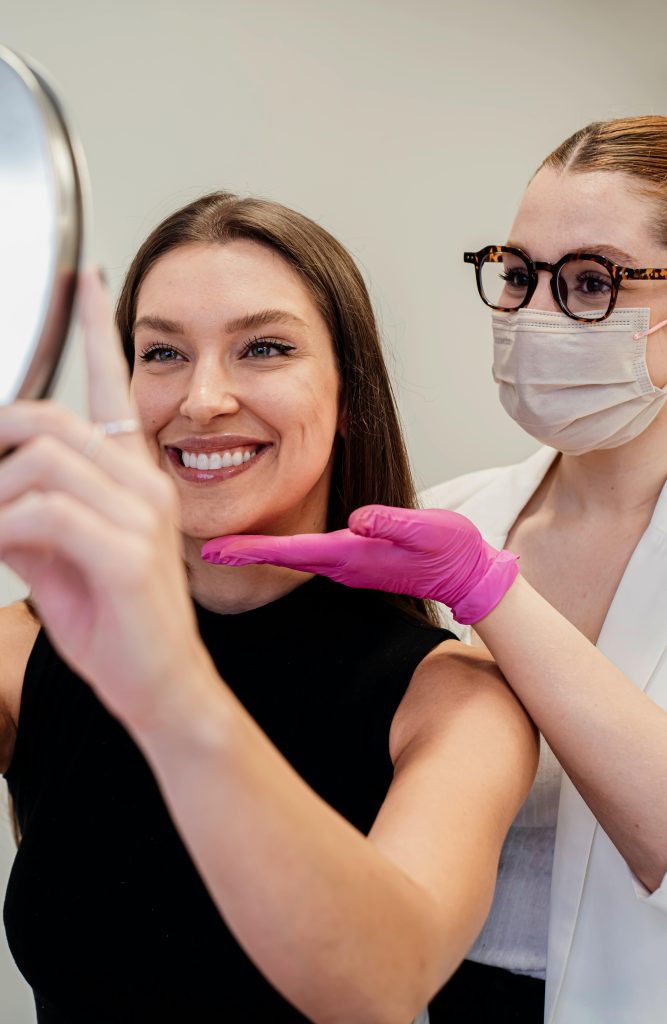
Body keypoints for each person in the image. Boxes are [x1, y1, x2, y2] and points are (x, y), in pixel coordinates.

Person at [0, 193, 538, 1023]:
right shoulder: (25, 649)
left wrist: (171, 691)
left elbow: (382, 986)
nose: (203, 398)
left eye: (263, 348)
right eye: (162, 353)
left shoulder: (456, 701)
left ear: (350, 397)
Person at [205, 117, 667, 1024]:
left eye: (589, 283)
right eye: (517, 274)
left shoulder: (456, 559)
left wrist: (489, 596)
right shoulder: (452, 515)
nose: (533, 314)